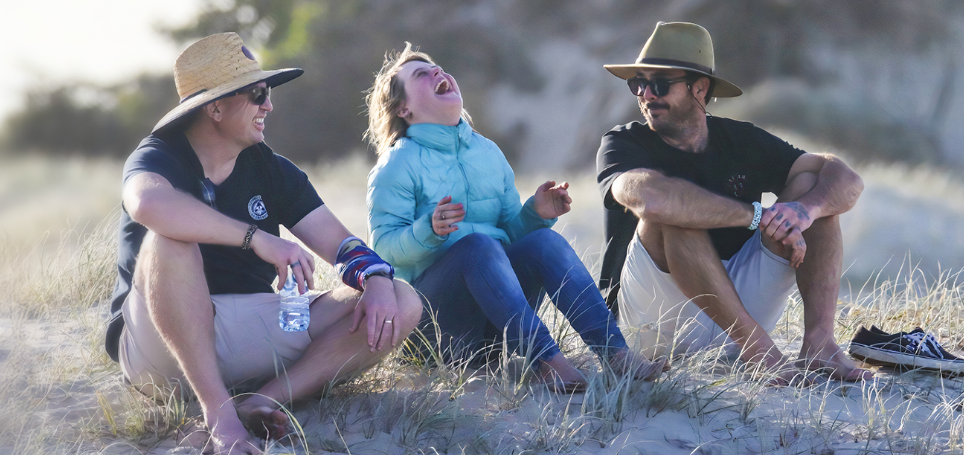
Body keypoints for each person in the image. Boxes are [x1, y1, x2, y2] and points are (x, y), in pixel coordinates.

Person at [104, 32, 423, 455]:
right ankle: (221, 416)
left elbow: (340, 243)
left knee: (403, 299)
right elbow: (148, 204)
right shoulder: (158, 156)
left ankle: (262, 400)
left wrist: (377, 279)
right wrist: (256, 239)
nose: (268, 105)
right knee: (169, 241)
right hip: (158, 346)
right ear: (215, 108)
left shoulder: (270, 168)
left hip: (248, 330)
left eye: (268, 92)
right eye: (257, 94)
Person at [364, 44, 665, 393]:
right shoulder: (396, 165)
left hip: (496, 331)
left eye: (438, 68)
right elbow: (382, 251)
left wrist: (535, 214)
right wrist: (427, 231)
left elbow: (507, 236)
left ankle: (615, 354)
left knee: (544, 242)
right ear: (404, 108)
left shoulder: (487, 153)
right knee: (476, 246)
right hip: (434, 334)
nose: (437, 72)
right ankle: (547, 360)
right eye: (421, 74)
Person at [594, 22, 874, 384]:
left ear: (699, 87)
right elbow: (652, 201)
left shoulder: (741, 140)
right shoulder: (622, 143)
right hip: (653, 322)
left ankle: (819, 344)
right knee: (673, 216)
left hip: (737, 310)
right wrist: (755, 216)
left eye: (659, 84)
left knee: (810, 188)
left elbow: (847, 180)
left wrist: (804, 212)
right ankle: (760, 350)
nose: (646, 94)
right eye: (638, 83)